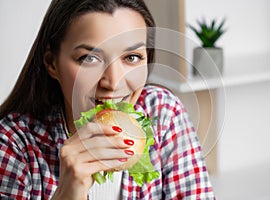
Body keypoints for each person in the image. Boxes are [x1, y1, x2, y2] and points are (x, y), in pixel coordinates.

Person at [0, 0, 215, 199]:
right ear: (52, 63)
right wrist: (68, 192)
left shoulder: (164, 112)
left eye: (132, 57)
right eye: (89, 58)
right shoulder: (12, 145)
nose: (112, 82)